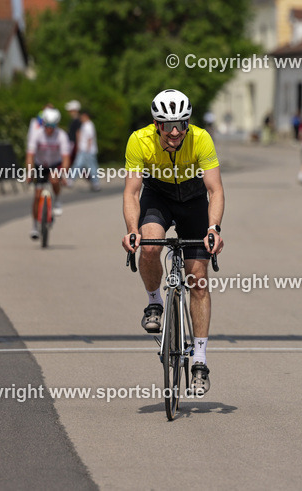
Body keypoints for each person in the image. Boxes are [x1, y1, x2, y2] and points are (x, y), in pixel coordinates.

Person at [121, 89, 224, 397]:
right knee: (150, 245)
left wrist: (214, 228)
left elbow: (215, 191)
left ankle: (200, 360)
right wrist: (131, 230)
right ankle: (155, 302)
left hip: (194, 199)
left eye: (181, 123)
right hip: (159, 197)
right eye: (168, 125)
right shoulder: (138, 141)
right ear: (156, 124)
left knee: (198, 280)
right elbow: (131, 192)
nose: (176, 131)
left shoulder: (201, 139)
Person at [25, 107, 71, 236]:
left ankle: (57, 200)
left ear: (56, 125)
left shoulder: (61, 135)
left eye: (52, 126)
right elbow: (30, 155)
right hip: (40, 165)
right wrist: (29, 172)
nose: (49, 129)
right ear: (43, 124)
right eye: (47, 125)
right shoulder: (37, 134)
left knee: (55, 179)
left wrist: (64, 174)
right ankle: (34, 226)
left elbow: (66, 158)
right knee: (37, 195)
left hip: (55, 164)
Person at [71, 109, 100, 191]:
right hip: (84, 150)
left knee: (91, 167)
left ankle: (95, 182)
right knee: (79, 164)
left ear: (86, 116)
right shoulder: (84, 125)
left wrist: (87, 150)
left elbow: (89, 139)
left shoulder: (89, 125)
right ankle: (71, 179)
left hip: (87, 151)